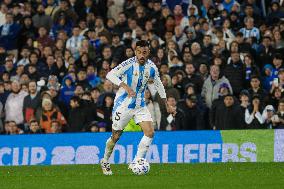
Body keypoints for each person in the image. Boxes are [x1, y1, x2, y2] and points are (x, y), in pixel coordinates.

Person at [100, 40, 176, 175]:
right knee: (116, 136)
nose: (141, 55)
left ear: (148, 53)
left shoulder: (152, 67)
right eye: (139, 52)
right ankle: (105, 160)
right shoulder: (128, 64)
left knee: (150, 132)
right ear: (136, 52)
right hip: (123, 105)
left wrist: (166, 104)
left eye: (144, 52)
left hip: (140, 104)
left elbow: (158, 85)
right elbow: (110, 74)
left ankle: (137, 160)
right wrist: (125, 87)